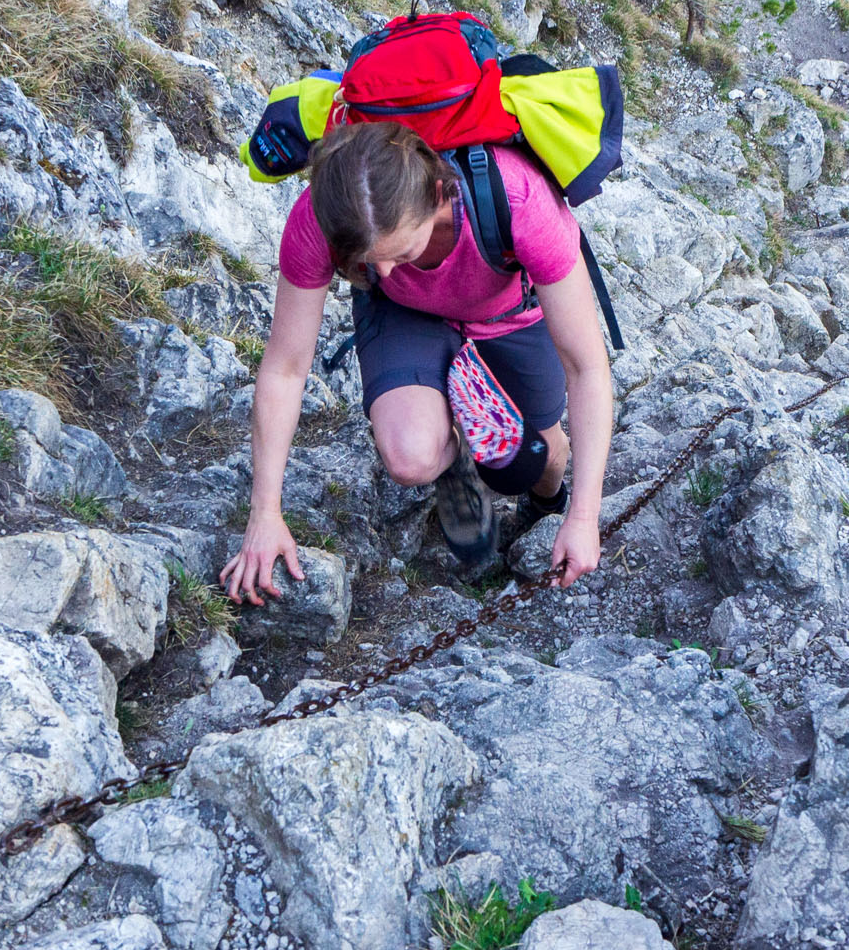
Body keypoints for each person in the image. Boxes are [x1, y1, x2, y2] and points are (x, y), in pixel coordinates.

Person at [220, 122, 613, 607]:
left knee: (542, 457)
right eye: (368, 260)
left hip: (509, 312)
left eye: (404, 252)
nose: (383, 270)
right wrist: (265, 514)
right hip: (405, 312)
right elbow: (284, 368)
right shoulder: (321, 217)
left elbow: (587, 369)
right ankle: (451, 445)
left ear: (438, 194)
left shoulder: (516, 197)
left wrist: (581, 517)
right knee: (409, 457)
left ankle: (542, 504)